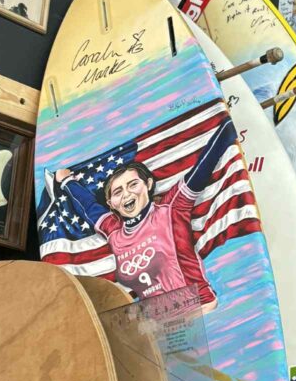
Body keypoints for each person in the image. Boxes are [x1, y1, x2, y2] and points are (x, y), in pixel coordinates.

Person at [53, 118, 235, 308]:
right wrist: (66, 181)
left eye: (133, 184)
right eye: (118, 192)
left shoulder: (170, 209)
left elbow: (203, 167)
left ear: (148, 184)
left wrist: (228, 125)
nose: (126, 194)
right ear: (111, 204)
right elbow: (88, 206)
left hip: (200, 309)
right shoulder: (114, 231)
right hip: (157, 321)